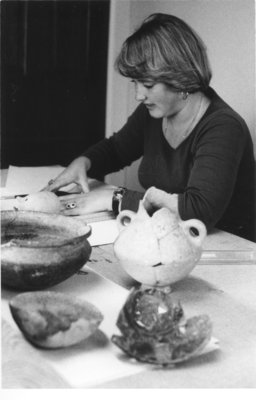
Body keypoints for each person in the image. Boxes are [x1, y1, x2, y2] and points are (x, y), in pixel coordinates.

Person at [45, 13, 255, 242]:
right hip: (174, 238)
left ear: (181, 77)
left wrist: (113, 198)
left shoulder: (223, 127)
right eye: (135, 82)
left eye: (147, 84)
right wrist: (84, 162)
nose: (138, 95)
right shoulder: (154, 112)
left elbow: (199, 210)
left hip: (229, 248)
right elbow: (116, 150)